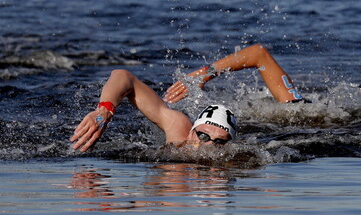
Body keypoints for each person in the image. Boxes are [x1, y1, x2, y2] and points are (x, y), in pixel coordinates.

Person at [70, 44, 306, 153]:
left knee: (298, 113)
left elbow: (259, 54)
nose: (207, 145)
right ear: (192, 130)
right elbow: (123, 76)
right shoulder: (179, 129)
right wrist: (104, 110)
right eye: (202, 135)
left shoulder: (238, 157)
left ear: (231, 145)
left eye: (219, 142)